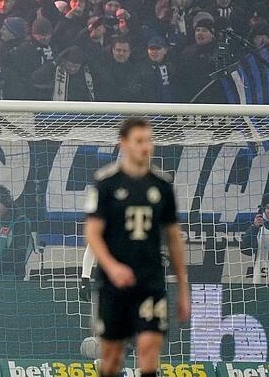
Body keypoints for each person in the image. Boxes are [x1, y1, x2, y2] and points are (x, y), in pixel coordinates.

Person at [84, 117, 190, 377]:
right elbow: (92, 233)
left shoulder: (162, 186)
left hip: (150, 281)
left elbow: (174, 238)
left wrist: (184, 288)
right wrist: (112, 267)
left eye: (149, 141)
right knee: (111, 358)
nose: (146, 147)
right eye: (139, 141)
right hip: (113, 283)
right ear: (124, 143)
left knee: (149, 350)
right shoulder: (106, 183)